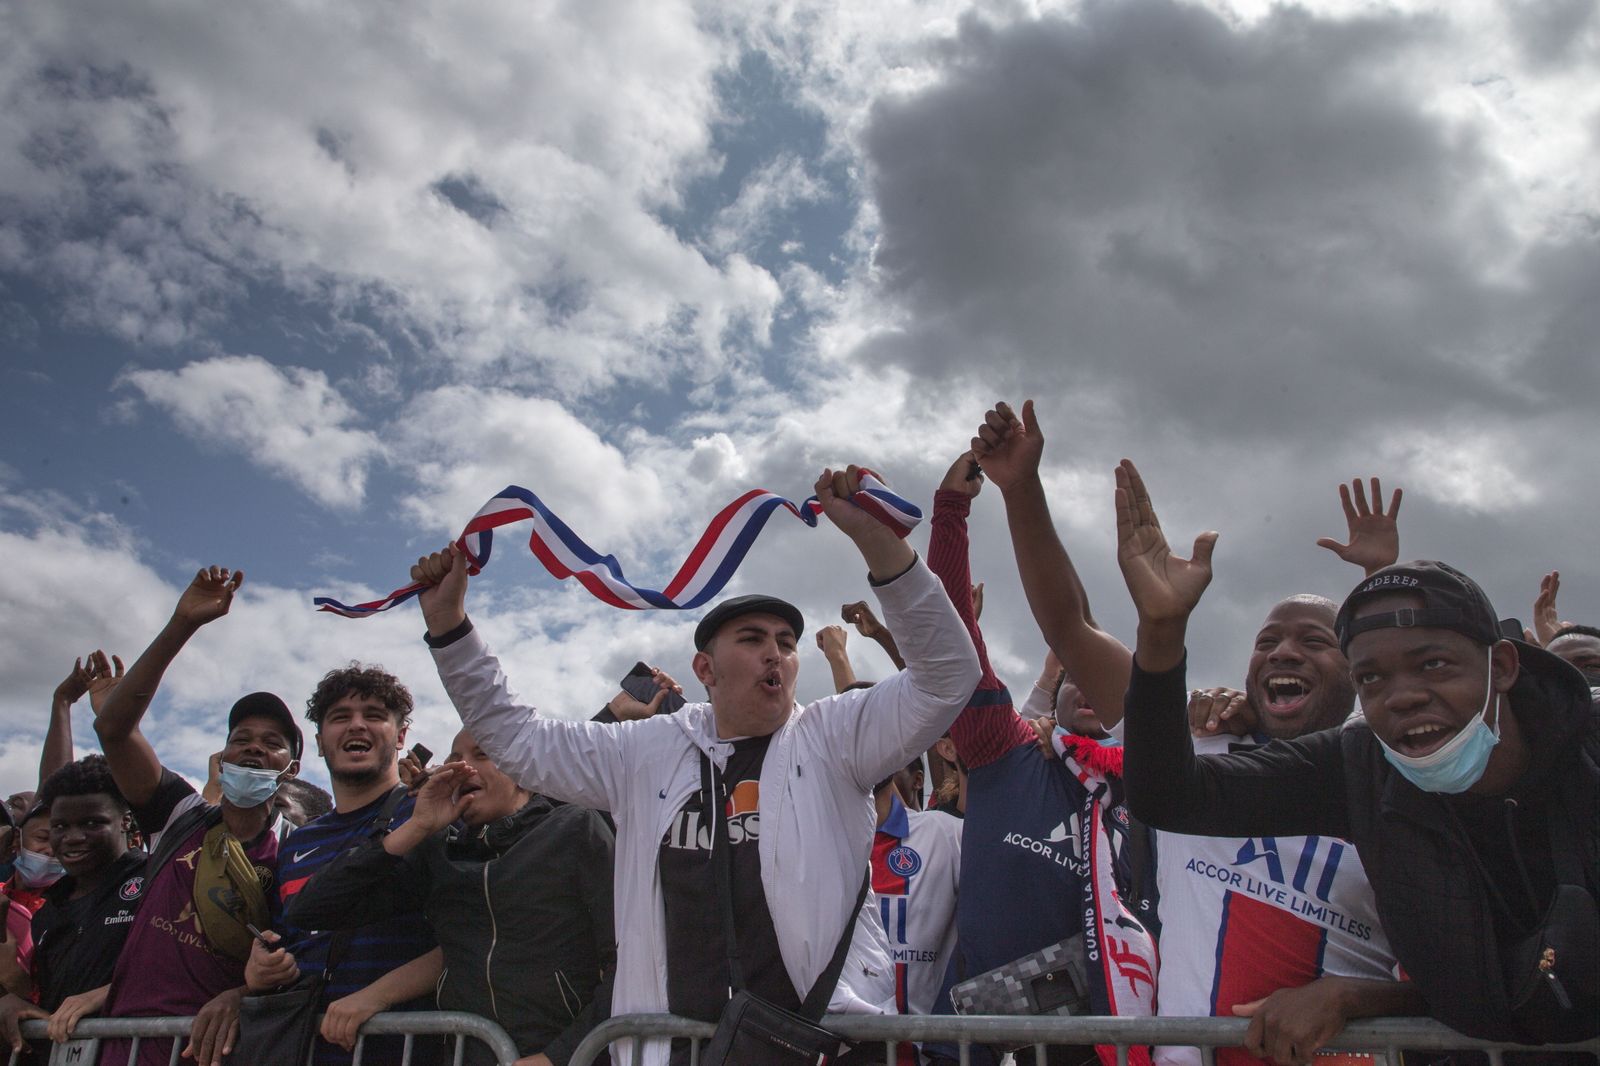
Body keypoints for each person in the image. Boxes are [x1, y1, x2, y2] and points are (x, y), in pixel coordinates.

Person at [407, 464, 981, 1066]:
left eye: (786, 643)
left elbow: (947, 677)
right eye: (753, 639)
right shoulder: (643, 751)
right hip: (673, 1052)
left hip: (820, 1045)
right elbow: (516, 740)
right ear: (704, 670)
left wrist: (878, 542)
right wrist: (449, 627)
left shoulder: (833, 735)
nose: (777, 655)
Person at [971, 405, 1414, 1066]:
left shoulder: (1397, 785)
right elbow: (1071, 625)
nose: (1284, 652)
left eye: (1314, 642)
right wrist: (1019, 490)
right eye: (1268, 641)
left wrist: (1348, 998)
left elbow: (1468, 983)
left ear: (1356, 671)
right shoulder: (1188, 752)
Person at [1112, 464, 1599, 1046]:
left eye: (1434, 665)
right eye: (1371, 677)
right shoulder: (1359, 767)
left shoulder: (1587, 745)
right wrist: (1162, 632)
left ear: (1504, 666)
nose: (1404, 695)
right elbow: (1171, 797)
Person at [920, 451, 1154, 1066]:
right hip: (979, 1047)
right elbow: (952, 641)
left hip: (1115, 1045)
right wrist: (951, 515)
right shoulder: (1005, 751)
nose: (1086, 686)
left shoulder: (1163, 788)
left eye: (1103, 675)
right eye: (1072, 673)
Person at [286, 726, 617, 1066]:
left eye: (483, 754)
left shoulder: (575, 829)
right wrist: (416, 827)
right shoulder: (440, 851)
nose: (465, 768)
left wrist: (557, 1058)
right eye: (454, 760)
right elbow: (312, 910)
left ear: (524, 773)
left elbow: (627, 960)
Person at [93, 566, 301, 1066]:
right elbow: (115, 731)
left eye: (271, 744)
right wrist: (182, 623)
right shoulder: (181, 816)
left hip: (219, 1052)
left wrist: (241, 995)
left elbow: (300, 960)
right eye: (241, 740)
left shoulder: (298, 847)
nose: (253, 749)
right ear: (221, 757)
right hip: (124, 1046)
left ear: (290, 770)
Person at [251, 663, 439, 1066]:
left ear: (401, 735)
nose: (357, 726)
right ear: (320, 742)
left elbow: (469, 935)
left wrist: (379, 995)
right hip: (305, 1047)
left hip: (406, 1049)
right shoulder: (298, 842)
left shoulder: (428, 816)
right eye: (340, 718)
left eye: (374, 715)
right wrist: (262, 967)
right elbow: (290, 936)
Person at [0, 756, 146, 1057]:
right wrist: (13, 999)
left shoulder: (158, 880)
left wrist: (108, 995)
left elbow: (183, 971)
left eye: (92, 823)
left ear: (125, 821)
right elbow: (49, 1004)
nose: (73, 838)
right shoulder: (48, 911)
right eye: (60, 826)